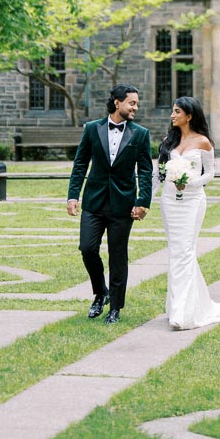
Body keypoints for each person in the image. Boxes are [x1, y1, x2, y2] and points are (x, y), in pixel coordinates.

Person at [157, 95, 220, 330]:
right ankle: (178, 306)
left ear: (189, 116)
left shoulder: (204, 143)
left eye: (177, 111)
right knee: (175, 251)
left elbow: (210, 173)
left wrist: (189, 183)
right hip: (169, 200)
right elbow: (158, 173)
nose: (172, 115)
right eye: (172, 110)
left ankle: (183, 312)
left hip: (192, 200)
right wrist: (144, 201)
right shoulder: (169, 141)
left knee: (186, 251)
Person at [66, 83, 153, 325]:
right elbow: (80, 163)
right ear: (117, 103)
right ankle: (100, 292)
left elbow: (145, 171)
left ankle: (115, 307)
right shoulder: (92, 129)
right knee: (87, 248)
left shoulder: (141, 134)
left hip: (123, 205)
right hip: (94, 202)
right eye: (132, 103)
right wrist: (73, 195)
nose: (136, 107)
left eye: (137, 103)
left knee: (117, 255)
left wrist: (142, 202)